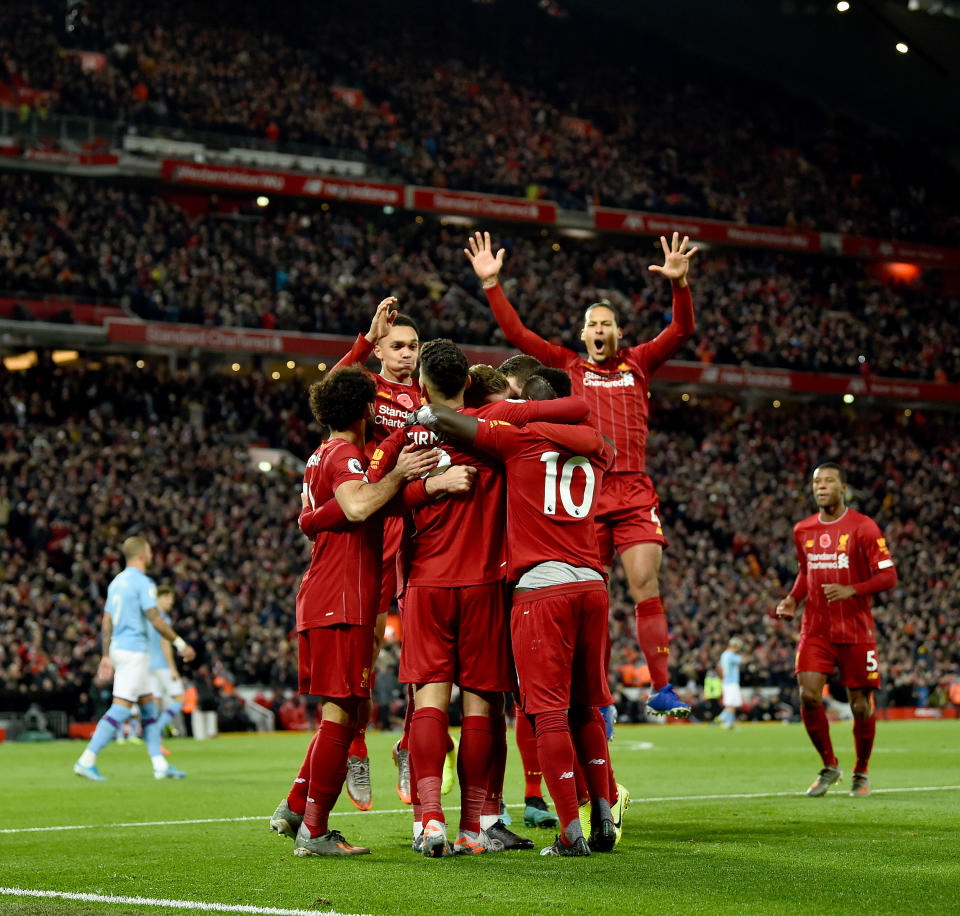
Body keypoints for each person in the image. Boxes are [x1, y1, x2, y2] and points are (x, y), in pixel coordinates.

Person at [371, 339, 591, 855]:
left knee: (428, 698)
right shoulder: (493, 429)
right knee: (480, 704)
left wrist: (425, 486)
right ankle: (476, 826)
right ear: (468, 383)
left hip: (423, 585)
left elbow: (373, 500)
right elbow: (577, 407)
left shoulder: (404, 436)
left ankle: (429, 821)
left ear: (422, 382)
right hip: (485, 585)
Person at [466, 229, 697, 718]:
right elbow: (519, 337)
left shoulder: (638, 364)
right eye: (592, 323)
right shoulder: (567, 366)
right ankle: (598, 700)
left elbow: (680, 331)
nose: (599, 329)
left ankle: (661, 688)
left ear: (618, 332)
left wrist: (679, 285)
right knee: (591, 594)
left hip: (633, 488)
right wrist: (492, 285)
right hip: (584, 491)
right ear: (583, 333)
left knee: (644, 584)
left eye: (607, 323)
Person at [411, 389, 621, 857]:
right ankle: (604, 817)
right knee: (586, 709)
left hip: (541, 588)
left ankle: (570, 832)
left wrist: (429, 410)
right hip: (592, 583)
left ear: (531, 403)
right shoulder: (600, 448)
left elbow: (453, 423)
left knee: (546, 712)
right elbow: (587, 423)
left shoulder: (518, 440)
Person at [269, 366, 445, 857]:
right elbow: (358, 505)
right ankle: (315, 830)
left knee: (343, 712)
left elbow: (330, 513)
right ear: (367, 410)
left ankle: (299, 810)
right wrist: (401, 473)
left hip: (329, 596)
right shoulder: (345, 453)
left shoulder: (319, 453)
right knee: (340, 714)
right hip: (340, 599)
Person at [333, 297, 426, 810]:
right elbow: (330, 392)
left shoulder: (428, 394)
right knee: (366, 645)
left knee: (420, 646)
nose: (406, 354)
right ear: (381, 351)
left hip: (417, 528)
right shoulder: (367, 388)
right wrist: (365, 340)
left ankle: (410, 745)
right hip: (373, 523)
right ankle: (356, 744)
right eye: (397, 345)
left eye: (413, 346)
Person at [775, 462, 898, 798]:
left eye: (829, 481)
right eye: (817, 481)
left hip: (856, 630)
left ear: (843, 488)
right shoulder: (803, 530)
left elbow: (889, 576)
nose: (822, 486)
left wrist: (853, 590)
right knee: (809, 694)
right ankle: (830, 765)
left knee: (860, 706)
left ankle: (861, 771)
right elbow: (805, 572)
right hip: (815, 628)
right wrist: (791, 600)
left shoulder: (864, 527)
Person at [73, 537, 196, 781]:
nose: (151, 555)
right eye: (150, 551)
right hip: (134, 652)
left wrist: (106, 655)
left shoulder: (116, 582)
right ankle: (86, 760)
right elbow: (155, 617)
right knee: (121, 707)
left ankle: (160, 765)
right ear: (141, 555)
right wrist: (180, 643)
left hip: (120, 649)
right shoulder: (143, 582)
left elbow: (106, 621)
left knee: (149, 706)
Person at [148, 586, 187, 740]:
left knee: (155, 703)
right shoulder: (162, 618)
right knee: (179, 699)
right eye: (169, 598)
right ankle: (157, 729)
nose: (171, 602)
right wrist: (173, 668)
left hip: (147, 665)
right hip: (162, 665)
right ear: (161, 597)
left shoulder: (148, 617)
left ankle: (154, 737)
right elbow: (165, 644)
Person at [718, 637, 744, 729]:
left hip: (727, 682)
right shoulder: (731, 655)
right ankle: (722, 720)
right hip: (731, 683)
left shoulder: (724, 655)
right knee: (732, 704)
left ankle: (727, 722)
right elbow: (742, 660)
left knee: (733, 704)